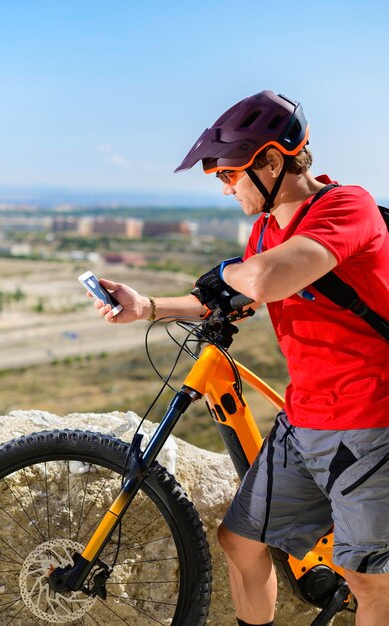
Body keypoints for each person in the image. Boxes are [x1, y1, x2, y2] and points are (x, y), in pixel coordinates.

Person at [93, 90, 389, 626]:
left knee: (370, 580)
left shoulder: (348, 207)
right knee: (240, 542)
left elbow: (263, 279)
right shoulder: (266, 229)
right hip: (304, 419)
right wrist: (147, 307)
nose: (225, 187)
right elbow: (231, 294)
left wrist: (228, 270)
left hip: (369, 421)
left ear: (274, 160)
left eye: (230, 174)